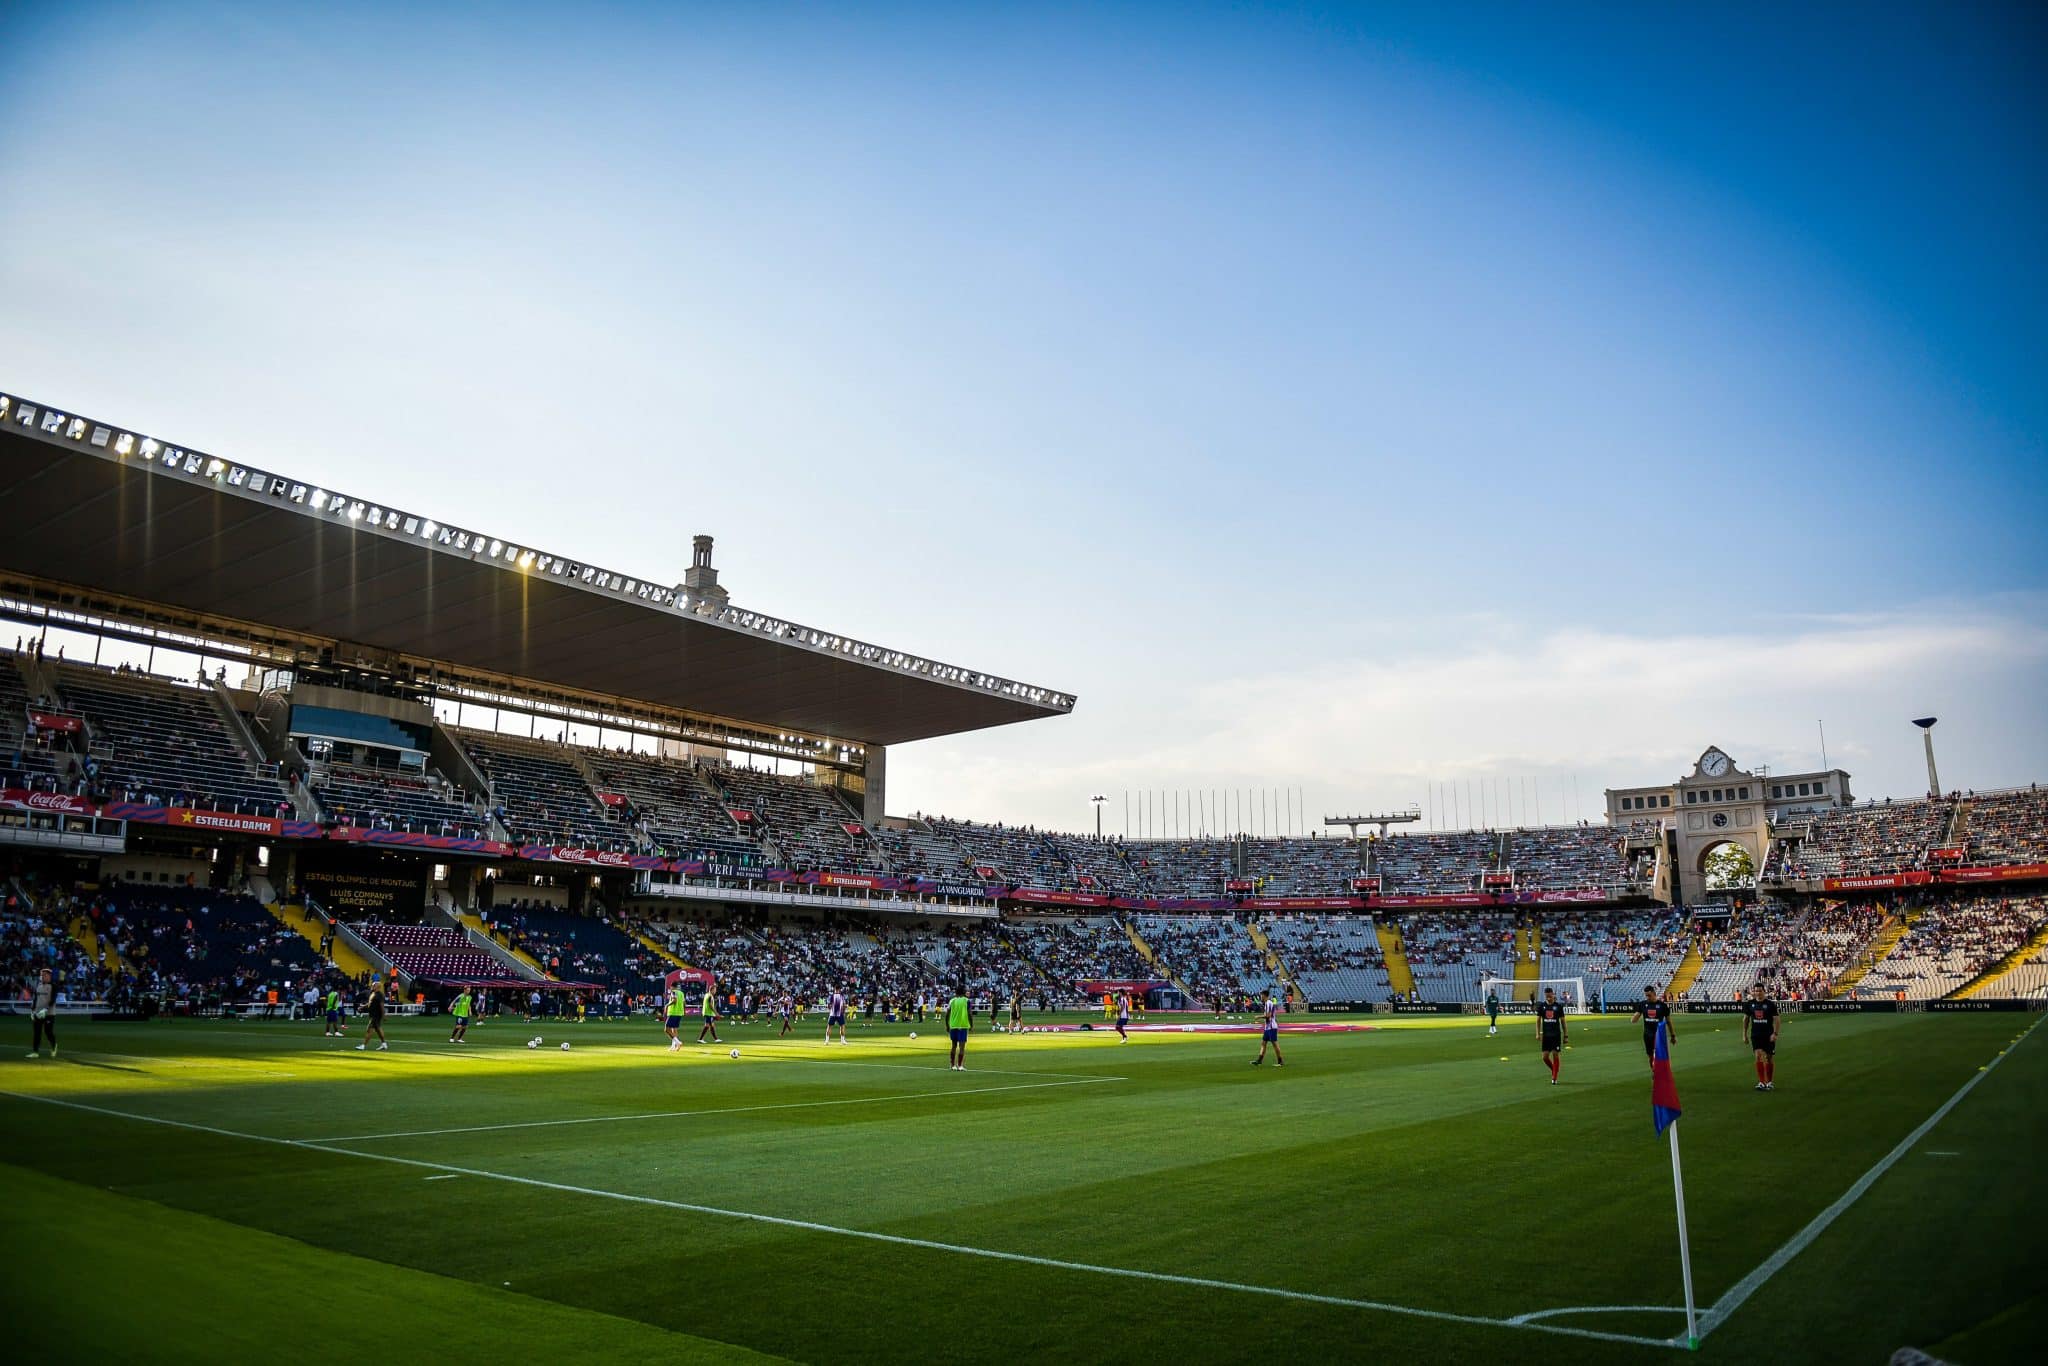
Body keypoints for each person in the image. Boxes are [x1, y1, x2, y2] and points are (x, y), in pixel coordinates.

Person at [1745, 984, 1780, 1091]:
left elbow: (1777, 1019)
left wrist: (1775, 1033)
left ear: (1764, 991)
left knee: (1769, 1058)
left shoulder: (1770, 1004)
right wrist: (1744, 1034)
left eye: (1760, 991)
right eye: (1756, 991)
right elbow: (1745, 1019)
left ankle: (1769, 1082)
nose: (1758, 993)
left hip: (1768, 1035)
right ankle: (1761, 1082)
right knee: (1758, 1056)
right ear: (1754, 992)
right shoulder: (1750, 1004)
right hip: (1755, 1035)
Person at [1631, 983, 1674, 1067]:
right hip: (1647, 1035)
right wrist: (1635, 1017)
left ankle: (1662, 1071)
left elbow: (1668, 1021)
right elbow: (1634, 1020)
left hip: (1659, 1035)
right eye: (1646, 995)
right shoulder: (1643, 1004)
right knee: (1650, 1056)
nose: (1647, 997)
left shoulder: (1662, 1006)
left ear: (1654, 994)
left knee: (1660, 1055)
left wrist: (1673, 1035)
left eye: (1649, 995)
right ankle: (1654, 1072)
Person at [1536, 987, 1566, 1084]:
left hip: (1556, 1035)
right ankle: (1554, 1069)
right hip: (1546, 1035)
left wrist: (1566, 1035)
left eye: (1550, 995)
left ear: (1553, 994)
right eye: (1547, 995)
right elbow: (1538, 1020)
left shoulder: (1558, 1007)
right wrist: (1537, 1033)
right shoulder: (1542, 1006)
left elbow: (1563, 1022)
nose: (1548, 997)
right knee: (1544, 1057)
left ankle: (1554, 1077)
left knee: (1555, 1054)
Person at [25, 968, 55, 1058]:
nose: (42, 976)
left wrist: (46, 1009)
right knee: (37, 1032)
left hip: (49, 1014)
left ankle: (54, 1047)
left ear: (49, 976)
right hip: (38, 1013)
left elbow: (53, 999)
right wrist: (32, 1010)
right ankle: (35, 1052)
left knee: (48, 1032)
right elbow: (35, 999)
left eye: (44, 975)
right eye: (41, 975)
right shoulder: (38, 986)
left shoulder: (53, 986)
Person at [1252, 991, 1284, 1067]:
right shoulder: (1267, 1003)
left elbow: (1268, 1016)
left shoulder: (1269, 1003)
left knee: (1275, 1044)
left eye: (1261, 995)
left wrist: (1258, 1017)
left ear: (1264, 995)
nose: (1260, 997)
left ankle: (1280, 1061)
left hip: (1271, 1027)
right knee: (1263, 1043)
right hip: (1268, 1027)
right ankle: (1259, 1061)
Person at [356, 983, 389, 1051]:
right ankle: (384, 1044)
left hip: (376, 1015)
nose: (372, 986)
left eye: (374, 985)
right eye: (372, 985)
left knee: (369, 1029)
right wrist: (363, 1006)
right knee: (378, 1030)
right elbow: (370, 1003)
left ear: (378, 987)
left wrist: (384, 1015)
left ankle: (363, 1045)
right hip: (373, 1015)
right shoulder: (373, 993)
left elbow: (382, 1006)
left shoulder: (379, 995)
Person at [946, 985, 971, 1071]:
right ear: (963, 992)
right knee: (962, 1047)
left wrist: (947, 1025)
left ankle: (952, 1065)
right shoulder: (966, 1001)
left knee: (953, 1046)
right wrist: (971, 1024)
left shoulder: (952, 1001)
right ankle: (960, 1066)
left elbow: (947, 1014)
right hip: (963, 1026)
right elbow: (969, 1013)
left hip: (953, 1026)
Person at [664, 982, 687, 1052]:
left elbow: (674, 1000)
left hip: (673, 1013)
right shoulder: (681, 993)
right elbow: (684, 1003)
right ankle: (673, 1046)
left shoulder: (673, 992)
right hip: (679, 1013)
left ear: (672, 987)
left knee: (667, 1029)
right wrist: (684, 1011)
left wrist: (667, 1005)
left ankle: (678, 1042)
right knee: (674, 1029)